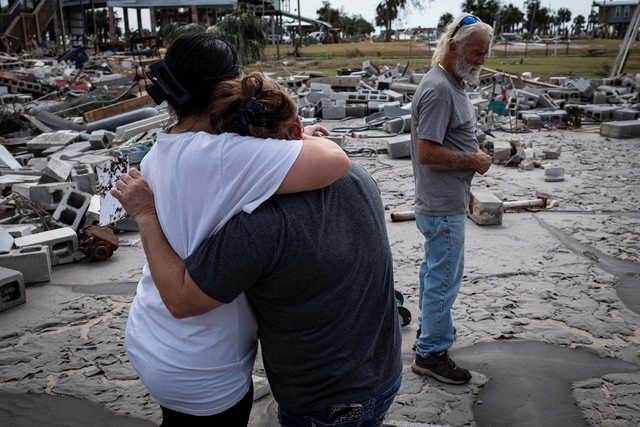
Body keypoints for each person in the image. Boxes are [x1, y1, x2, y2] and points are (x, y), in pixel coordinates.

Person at [125, 32, 350, 426]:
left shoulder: (164, 148)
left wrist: (284, 147)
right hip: (203, 363)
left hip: (152, 336)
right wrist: (297, 142)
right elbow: (335, 161)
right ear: (226, 88)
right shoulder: (224, 156)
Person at [111, 163, 403, 427]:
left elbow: (180, 299)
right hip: (383, 373)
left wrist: (146, 215)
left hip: (324, 405)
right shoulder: (355, 174)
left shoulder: (263, 223)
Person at [408, 14, 493, 385]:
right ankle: (431, 353)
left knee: (434, 275)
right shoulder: (440, 89)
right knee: (444, 280)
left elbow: (449, 143)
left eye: (485, 54)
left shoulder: (453, 84)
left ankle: (428, 337)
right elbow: (427, 152)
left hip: (446, 201)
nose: (481, 61)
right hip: (440, 208)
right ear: (454, 47)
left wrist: (467, 186)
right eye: (476, 53)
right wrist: (473, 161)